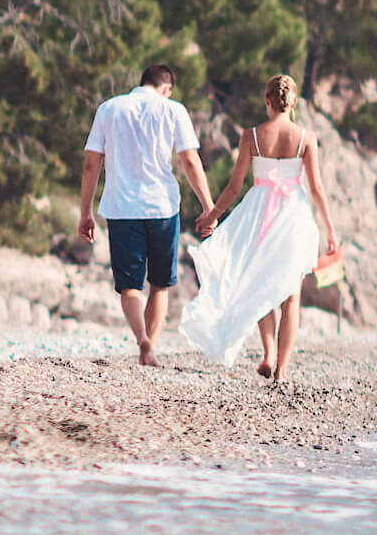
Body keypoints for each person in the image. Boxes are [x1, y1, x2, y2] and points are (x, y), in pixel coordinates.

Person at [181, 74, 341, 382]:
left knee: (260, 282)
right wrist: (330, 229)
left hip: (258, 214)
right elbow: (317, 188)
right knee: (291, 296)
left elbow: (233, 186)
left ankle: (268, 352)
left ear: (267, 100)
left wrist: (214, 214)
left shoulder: (251, 135)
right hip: (293, 214)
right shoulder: (306, 137)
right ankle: (281, 369)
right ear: (294, 103)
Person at [77, 64, 214, 366]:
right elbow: (190, 162)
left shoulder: (109, 109)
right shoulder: (174, 110)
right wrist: (208, 206)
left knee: (129, 285)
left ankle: (141, 339)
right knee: (160, 284)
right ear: (167, 88)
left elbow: (91, 165)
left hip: (121, 208)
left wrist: (85, 211)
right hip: (161, 207)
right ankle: (150, 348)